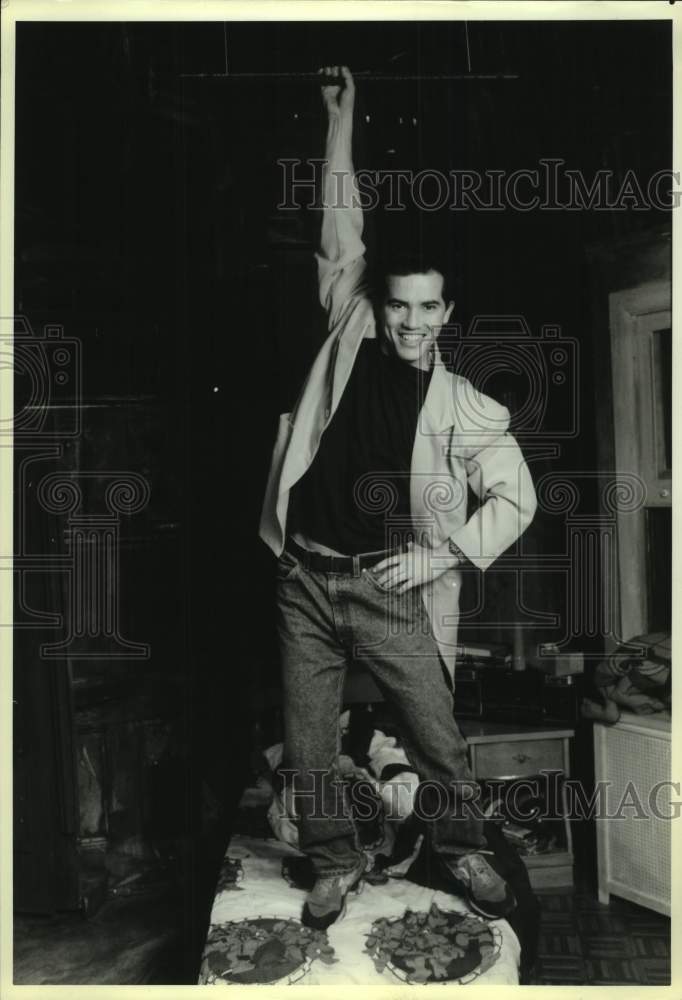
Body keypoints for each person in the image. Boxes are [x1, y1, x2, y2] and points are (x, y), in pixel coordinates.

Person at [259, 65, 537, 930]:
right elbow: (339, 223)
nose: (412, 324)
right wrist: (338, 119)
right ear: (379, 308)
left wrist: (442, 552)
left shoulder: (466, 406)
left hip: (391, 589)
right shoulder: (349, 327)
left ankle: (461, 849)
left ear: (447, 311)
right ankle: (336, 861)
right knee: (307, 746)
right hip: (306, 576)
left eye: (428, 309)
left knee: (438, 740)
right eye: (399, 309)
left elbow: (517, 497)